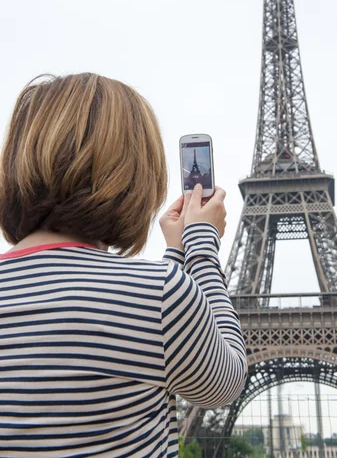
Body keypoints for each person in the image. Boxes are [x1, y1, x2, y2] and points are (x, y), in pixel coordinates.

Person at [0, 73, 248, 457]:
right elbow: (225, 381)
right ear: (134, 176)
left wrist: (175, 255)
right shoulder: (160, 294)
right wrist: (200, 245)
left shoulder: (160, 293)